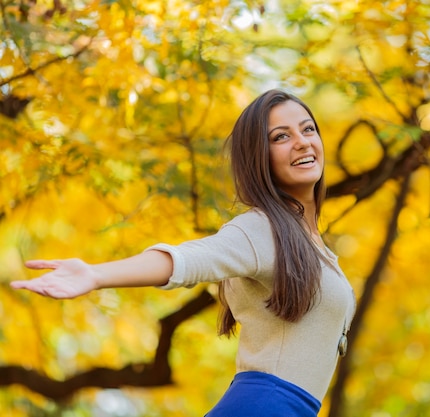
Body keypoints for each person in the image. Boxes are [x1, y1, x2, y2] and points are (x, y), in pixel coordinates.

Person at [10, 89, 356, 417]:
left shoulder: (312, 245)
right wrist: (97, 274)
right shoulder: (262, 230)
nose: (301, 142)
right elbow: (187, 259)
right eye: (281, 137)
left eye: (308, 129)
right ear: (259, 158)